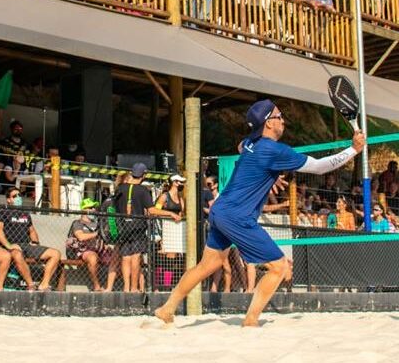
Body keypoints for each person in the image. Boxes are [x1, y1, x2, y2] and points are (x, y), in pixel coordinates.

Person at [155, 99, 365, 327]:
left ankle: (167, 308)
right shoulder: (272, 149)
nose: (283, 120)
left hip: (220, 210)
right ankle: (251, 320)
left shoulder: (250, 143)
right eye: (278, 116)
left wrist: (269, 175)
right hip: (237, 216)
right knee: (280, 266)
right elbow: (320, 166)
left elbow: (241, 147)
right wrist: (353, 149)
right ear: (267, 123)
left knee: (207, 266)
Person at [113, 163, 172, 292]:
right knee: (135, 257)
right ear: (143, 175)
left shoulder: (120, 188)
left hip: (123, 227)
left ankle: (126, 287)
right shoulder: (142, 190)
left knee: (125, 257)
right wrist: (171, 213)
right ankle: (134, 288)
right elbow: (152, 210)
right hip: (137, 227)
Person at [0, 186, 61, 291]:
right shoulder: (3, 210)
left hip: (26, 245)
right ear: (8, 199)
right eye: (14, 196)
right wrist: (8, 245)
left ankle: (44, 284)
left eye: (19, 195)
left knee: (56, 253)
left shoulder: (25, 213)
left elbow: (32, 231)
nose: (18, 197)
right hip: (10, 246)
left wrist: (35, 242)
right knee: (16, 254)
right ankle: (31, 285)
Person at [66, 198, 115, 291]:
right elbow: (81, 237)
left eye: (94, 208)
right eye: (90, 207)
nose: (93, 210)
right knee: (92, 257)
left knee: (119, 257)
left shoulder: (97, 223)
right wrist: (97, 234)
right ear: (83, 210)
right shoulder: (78, 223)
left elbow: (104, 236)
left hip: (99, 250)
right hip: (83, 251)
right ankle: (96, 286)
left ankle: (110, 286)